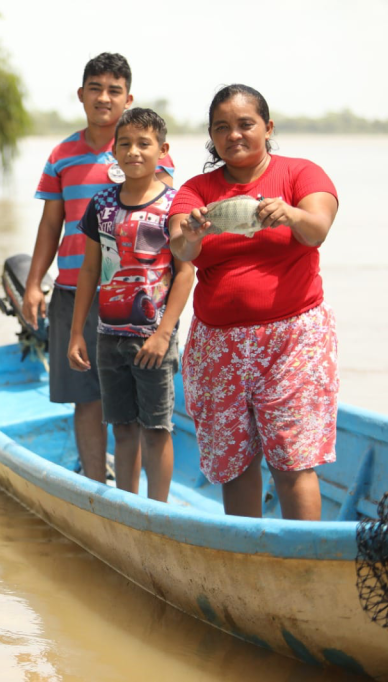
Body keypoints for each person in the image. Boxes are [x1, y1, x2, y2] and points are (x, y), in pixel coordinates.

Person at [167, 84, 339, 521]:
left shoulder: (302, 174)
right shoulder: (195, 191)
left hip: (293, 342)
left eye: (246, 124)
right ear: (211, 135)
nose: (234, 135)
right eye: (222, 128)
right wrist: (190, 234)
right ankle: (247, 557)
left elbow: (318, 228)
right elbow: (180, 251)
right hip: (217, 347)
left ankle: (304, 563)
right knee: (235, 464)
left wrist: (292, 214)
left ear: (268, 127)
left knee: (293, 461)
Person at [22, 53, 175, 483]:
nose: (104, 98)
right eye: (96, 89)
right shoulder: (62, 154)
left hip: (135, 298)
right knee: (86, 397)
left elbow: (169, 216)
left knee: (143, 403)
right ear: (81, 95)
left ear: (128, 98)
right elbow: (51, 222)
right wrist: (35, 284)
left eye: (114, 90)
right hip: (74, 289)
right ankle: (95, 484)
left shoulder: (145, 149)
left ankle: (144, 495)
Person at [67, 108, 193, 501]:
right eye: (125, 144)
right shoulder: (101, 203)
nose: (134, 152)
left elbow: (185, 273)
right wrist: (76, 333)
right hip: (109, 337)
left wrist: (163, 334)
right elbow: (89, 271)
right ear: (113, 152)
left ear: (163, 150)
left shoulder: (175, 205)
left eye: (144, 144)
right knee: (122, 429)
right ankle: (127, 506)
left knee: (156, 429)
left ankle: (158, 512)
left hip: (153, 339)